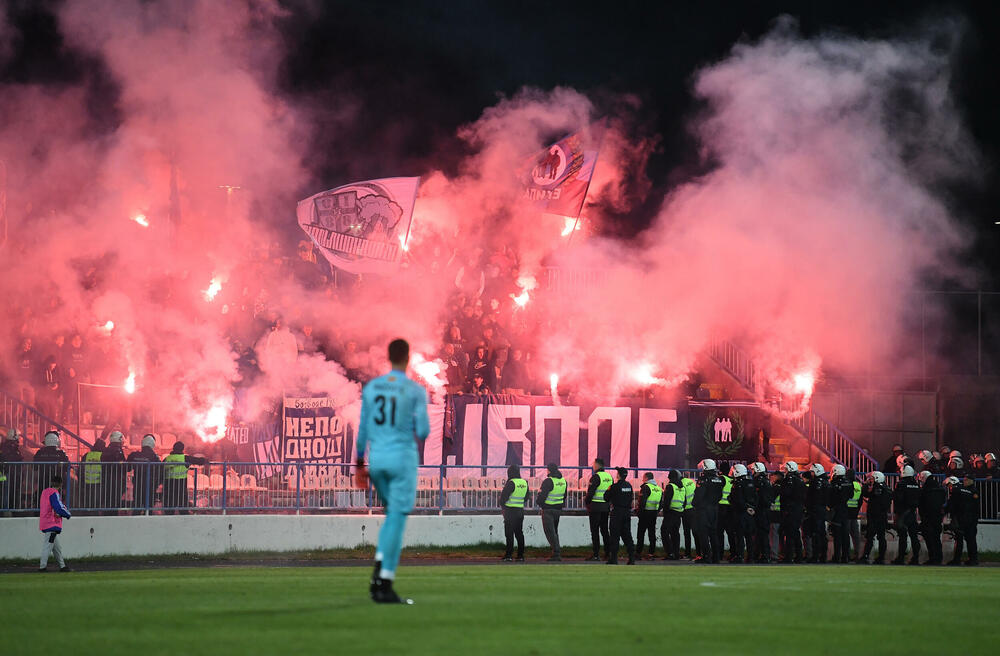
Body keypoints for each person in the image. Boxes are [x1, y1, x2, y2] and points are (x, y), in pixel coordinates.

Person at [355, 338, 431, 604]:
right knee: (397, 519)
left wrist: (358, 464)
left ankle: (379, 571)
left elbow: (362, 429)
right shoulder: (415, 391)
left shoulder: (372, 387)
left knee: (390, 516)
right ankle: (384, 581)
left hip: (377, 461)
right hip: (401, 460)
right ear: (408, 358)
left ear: (388, 357)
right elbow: (422, 431)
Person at [162, 441, 208, 514]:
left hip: (169, 487)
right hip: (181, 487)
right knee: (183, 509)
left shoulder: (167, 458)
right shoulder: (185, 458)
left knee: (169, 510)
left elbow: (160, 470)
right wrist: (205, 459)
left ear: (173, 448)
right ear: (182, 449)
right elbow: (199, 461)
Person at [39, 474, 72, 572]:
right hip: (52, 523)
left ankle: (62, 566)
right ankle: (42, 567)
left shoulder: (45, 492)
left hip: (45, 521)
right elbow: (58, 507)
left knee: (56, 547)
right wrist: (67, 514)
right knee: (48, 546)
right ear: (61, 484)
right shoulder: (54, 493)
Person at [693, 459, 724, 563]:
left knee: (703, 534)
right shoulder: (719, 479)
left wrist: (695, 504)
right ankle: (716, 557)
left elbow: (699, 496)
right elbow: (720, 496)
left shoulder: (703, 480)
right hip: (714, 509)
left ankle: (706, 556)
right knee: (713, 534)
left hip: (703, 510)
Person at [945, 474, 979, 566]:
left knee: (959, 539)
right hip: (971, 519)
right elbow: (976, 507)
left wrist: (944, 512)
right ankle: (973, 559)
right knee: (971, 540)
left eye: (966, 480)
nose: (964, 481)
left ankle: (957, 560)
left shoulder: (957, 491)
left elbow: (952, 505)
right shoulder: (973, 491)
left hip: (960, 519)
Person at [858, 471, 890, 565]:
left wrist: (866, 484)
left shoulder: (877, 488)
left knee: (870, 537)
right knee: (881, 537)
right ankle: (881, 557)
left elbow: (866, 494)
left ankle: (866, 556)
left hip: (875, 516)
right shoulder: (886, 488)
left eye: (872, 478)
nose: (870, 480)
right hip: (882, 516)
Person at [891, 464, 921, 565]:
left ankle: (901, 558)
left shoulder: (901, 484)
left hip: (903, 513)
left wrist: (897, 512)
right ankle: (916, 558)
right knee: (914, 536)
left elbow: (898, 499)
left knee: (903, 537)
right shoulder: (916, 484)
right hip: (912, 513)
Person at [536, 463, 565, 561]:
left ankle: (556, 553)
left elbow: (542, 495)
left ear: (549, 470)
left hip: (548, 509)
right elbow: (564, 496)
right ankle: (556, 551)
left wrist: (539, 503)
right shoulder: (563, 481)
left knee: (549, 532)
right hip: (558, 510)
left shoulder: (548, 481)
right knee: (554, 532)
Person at [606, 467, 635, 565]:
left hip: (617, 512)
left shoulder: (614, 486)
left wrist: (609, 489)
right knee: (627, 536)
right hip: (626, 512)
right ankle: (631, 558)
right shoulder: (629, 486)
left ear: (618, 475)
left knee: (614, 536)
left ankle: (613, 559)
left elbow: (606, 497)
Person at [584, 458, 612, 561]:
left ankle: (596, 554)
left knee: (595, 531)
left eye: (593, 464)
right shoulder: (609, 477)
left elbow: (590, 493)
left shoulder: (595, 477)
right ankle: (608, 553)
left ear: (597, 465)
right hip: (605, 507)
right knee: (605, 530)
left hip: (595, 507)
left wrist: (587, 503)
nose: (592, 466)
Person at [778, 461, 806, 563]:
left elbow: (786, 493)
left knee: (789, 534)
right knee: (796, 534)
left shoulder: (789, 480)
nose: (784, 471)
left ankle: (789, 557)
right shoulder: (800, 480)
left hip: (790, 510)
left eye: (785, 469)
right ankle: (799, 556)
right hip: (798, 510)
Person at [728, 464, 756, 563]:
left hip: (740, 513)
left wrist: (745, 507)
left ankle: (740, 556)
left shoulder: (738, 484)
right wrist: (752, 508)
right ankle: (751, 557)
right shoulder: (751, 482)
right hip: (750, 513)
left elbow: (738, 499)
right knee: (749, 537)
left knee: (739, 536)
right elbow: (755, 497)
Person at [34, 431, 70, 509]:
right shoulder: (61, 453)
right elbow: (67, 467)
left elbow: (35, 467)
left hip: (43, 482)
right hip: (56, 482)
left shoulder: (40, 453)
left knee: (42, 500)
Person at [127, 434, 162, 513]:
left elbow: (128, 468)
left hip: (138, 485)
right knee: (148, 508)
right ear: (153, 444)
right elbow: (160, 471)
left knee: (137, 506)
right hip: (150, 485)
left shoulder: (134, 455)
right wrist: (156, 483)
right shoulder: (155, 457)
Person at [499, 464, 527, 562]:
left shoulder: (511, 483)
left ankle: (509, 555)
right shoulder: (524, 482)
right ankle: (520, 555)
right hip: (520, 511)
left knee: (509, 534)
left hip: (510, 511)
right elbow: (527, 496)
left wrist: (502, 505)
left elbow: (504, 497)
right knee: (519, 533)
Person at [917, 470, 946, 565]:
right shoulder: (939, 488)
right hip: (937, 518)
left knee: (930, 538)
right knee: (936, 539)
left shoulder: (925, 490)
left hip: (927, 518)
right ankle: (938, 558)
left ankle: (933, 558)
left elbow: (921, 503)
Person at [804, 463, 829, 563]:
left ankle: (815, 556)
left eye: (812, 472)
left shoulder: (816, 483)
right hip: (822, 511)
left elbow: (812, 498)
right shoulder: (826, 482)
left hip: (815, 511)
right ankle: (823, 556)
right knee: (822, 534)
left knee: (816, 534)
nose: (811, 474)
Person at [750, 462, 774, 563]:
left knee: (762, 534)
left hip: (761, 511)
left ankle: (765, 555)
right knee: (762, 534)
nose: (752, 472)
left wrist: (754, 507)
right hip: (765, 511)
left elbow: (758, 497)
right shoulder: (766, 481)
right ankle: (763, 555)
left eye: (753, 470)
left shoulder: (759, 482)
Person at [828, 464, 853, 563]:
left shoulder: (834, 483)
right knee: (845, 534)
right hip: (845, 510)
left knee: (837, 535)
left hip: (837, 510)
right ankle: (845, 556)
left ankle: (837, 556)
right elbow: (851, 495)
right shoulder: (849, 482)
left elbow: (831, 497)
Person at [635, 472, 662, 559]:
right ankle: (651, 553)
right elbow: (661, 503)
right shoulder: (658, 488)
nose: (642, 480)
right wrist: (656, 511)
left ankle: (638, 553)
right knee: (652, 533)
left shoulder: (646, 487)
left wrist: (639, 513)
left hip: (645, 513)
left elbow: (642, 502)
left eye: (643, 478)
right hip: (653, 513)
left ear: (646, 478)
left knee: (641, 534)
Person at [660, 470, 684, 560]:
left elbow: (667, 501)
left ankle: (670, 553)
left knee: (665, 532)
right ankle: (676, 553)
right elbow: (684, 501)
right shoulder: (682, 486)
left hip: (670, 513)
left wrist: (665, 513)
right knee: (675, 533)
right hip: (679, 513)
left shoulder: (670, 486)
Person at [1, 429, 26, 513]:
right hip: (8, 473)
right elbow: (14, 459)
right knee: (8, 491)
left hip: (5, 473)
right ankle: (7, 510)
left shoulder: (4, 446)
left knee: (6, 491)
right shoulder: (11, 448)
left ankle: (7, 509)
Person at [102, 431, 127, 512]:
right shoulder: (118, 451)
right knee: (114, 501)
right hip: (116, 480)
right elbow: (123, 465)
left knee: (107, 500)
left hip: (106, 479)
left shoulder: (105, 450)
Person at [81, 438, 105, 510]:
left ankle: (87, 512)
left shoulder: (87, 455)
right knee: (97, 502)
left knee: (88, 500)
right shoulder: (103, 455)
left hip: (87, 481)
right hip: (98, 482)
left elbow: (81, 468)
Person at [845, 468, 863, 561]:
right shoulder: (858, 485)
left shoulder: (846, 484)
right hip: (854, 513)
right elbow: (860, 500)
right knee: (855, 536)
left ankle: (846, 555)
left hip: (846, 513)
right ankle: (857, 555)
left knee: (846, 535)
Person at [681, 473, 697, 559]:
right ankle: (699, 553)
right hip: (693, 509)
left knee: (687, 533)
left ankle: (688, 553)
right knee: (695, 532)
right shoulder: (692, 481)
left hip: (686, 510)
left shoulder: (681, 483)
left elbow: (682, 496)